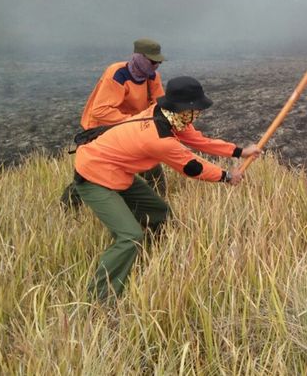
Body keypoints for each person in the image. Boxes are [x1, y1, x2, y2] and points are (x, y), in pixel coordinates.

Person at [73, 76, 261, 301]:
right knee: (129, 236)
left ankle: (144, 256)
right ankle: (99, 299)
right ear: (184, 109)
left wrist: (240, 152)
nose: (199, 113)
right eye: (197, 109)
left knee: (159, 213)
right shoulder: (158, 138)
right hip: (94, 175)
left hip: (117, 171)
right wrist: (227, 176)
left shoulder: (165, 113)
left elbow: (199, 141)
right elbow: (192, 166)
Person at [61, 38, 168, 208]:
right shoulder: (117, 74)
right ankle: (68, 205)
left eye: (158, 62)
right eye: (152, 61)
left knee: (150, 158)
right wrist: (135, 121)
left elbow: (159, 105)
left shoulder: (153, 77)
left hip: (129, 126)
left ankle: (159, 201)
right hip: (99, 127)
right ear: (138, 57)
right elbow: (100, 111)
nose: (156, 65)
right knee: (96, 171)